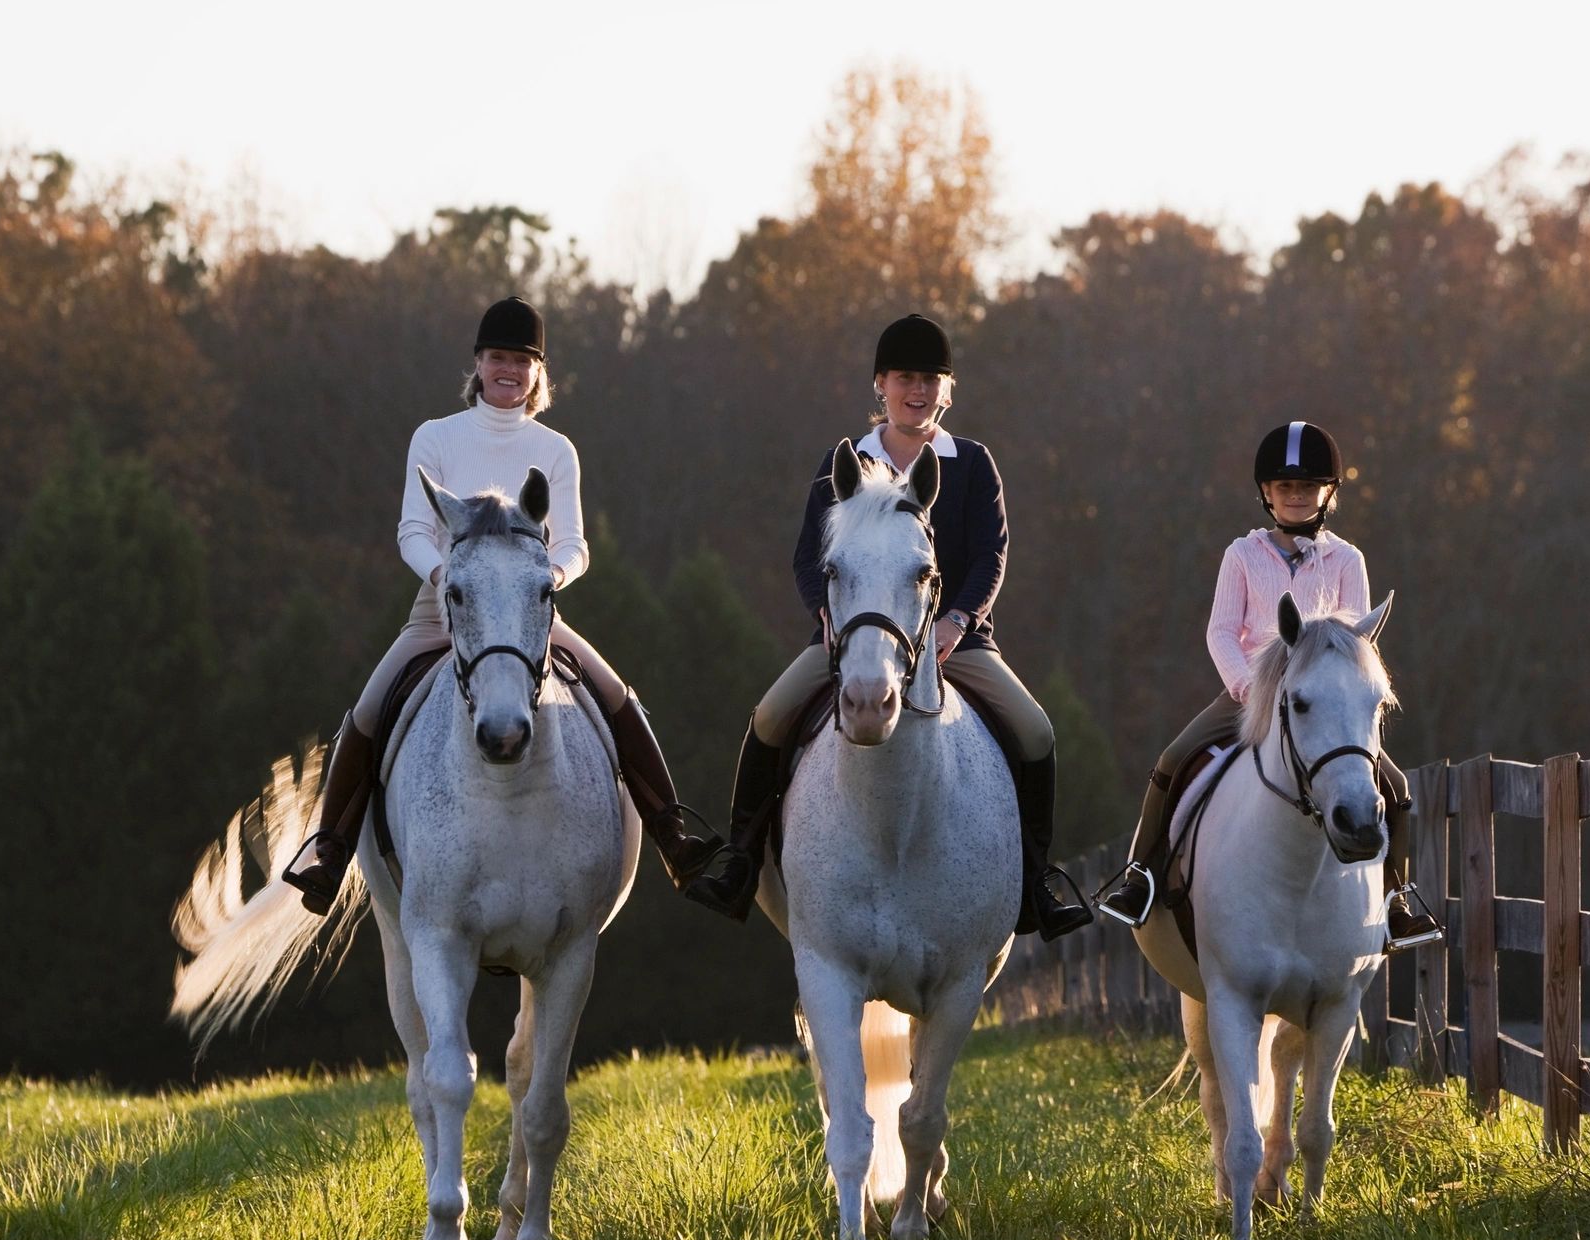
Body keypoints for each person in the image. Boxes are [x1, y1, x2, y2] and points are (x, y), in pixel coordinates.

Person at [282, 297, 722, 912]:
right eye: (497, 358)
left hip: (528, 610)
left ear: (538, 372)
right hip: (442, 604)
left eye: (521, 360)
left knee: (618, 698)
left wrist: (547, 581)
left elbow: (573, 545)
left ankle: (674, 839)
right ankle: (328, 853)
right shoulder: (435, 437)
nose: (508, 370)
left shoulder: (556, 449)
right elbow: (413, 529)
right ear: (479, 364)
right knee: (368, 708)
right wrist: (445, 579)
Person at [682, 313, 1095, 941]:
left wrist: (959, 619)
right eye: (905, 377)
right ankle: (740, 860)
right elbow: (807, 558)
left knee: (1036, 732)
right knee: (768, 719)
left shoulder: (972, 463)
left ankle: (1035, 882)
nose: (918, 390)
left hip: (954, 642)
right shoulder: (843, 463)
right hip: (854, 639)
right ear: (881, 384)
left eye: (931, 378)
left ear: (947, 389)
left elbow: (992, 555)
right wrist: (827, 617)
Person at [1093, 420, 1443, 952]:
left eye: (1306, 488)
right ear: (1267, 494)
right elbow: (1220, 630)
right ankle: (1140, 875)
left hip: (1320, 705)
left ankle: (1398, 898)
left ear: (1327, 493)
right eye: (1285, 488)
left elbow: (1355, 645)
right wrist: (1241, 684)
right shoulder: (1242, 555)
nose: (1296, 497)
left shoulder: (1348, 560)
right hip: (1247, 696)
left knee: (1395, 786)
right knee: (1172, 759)